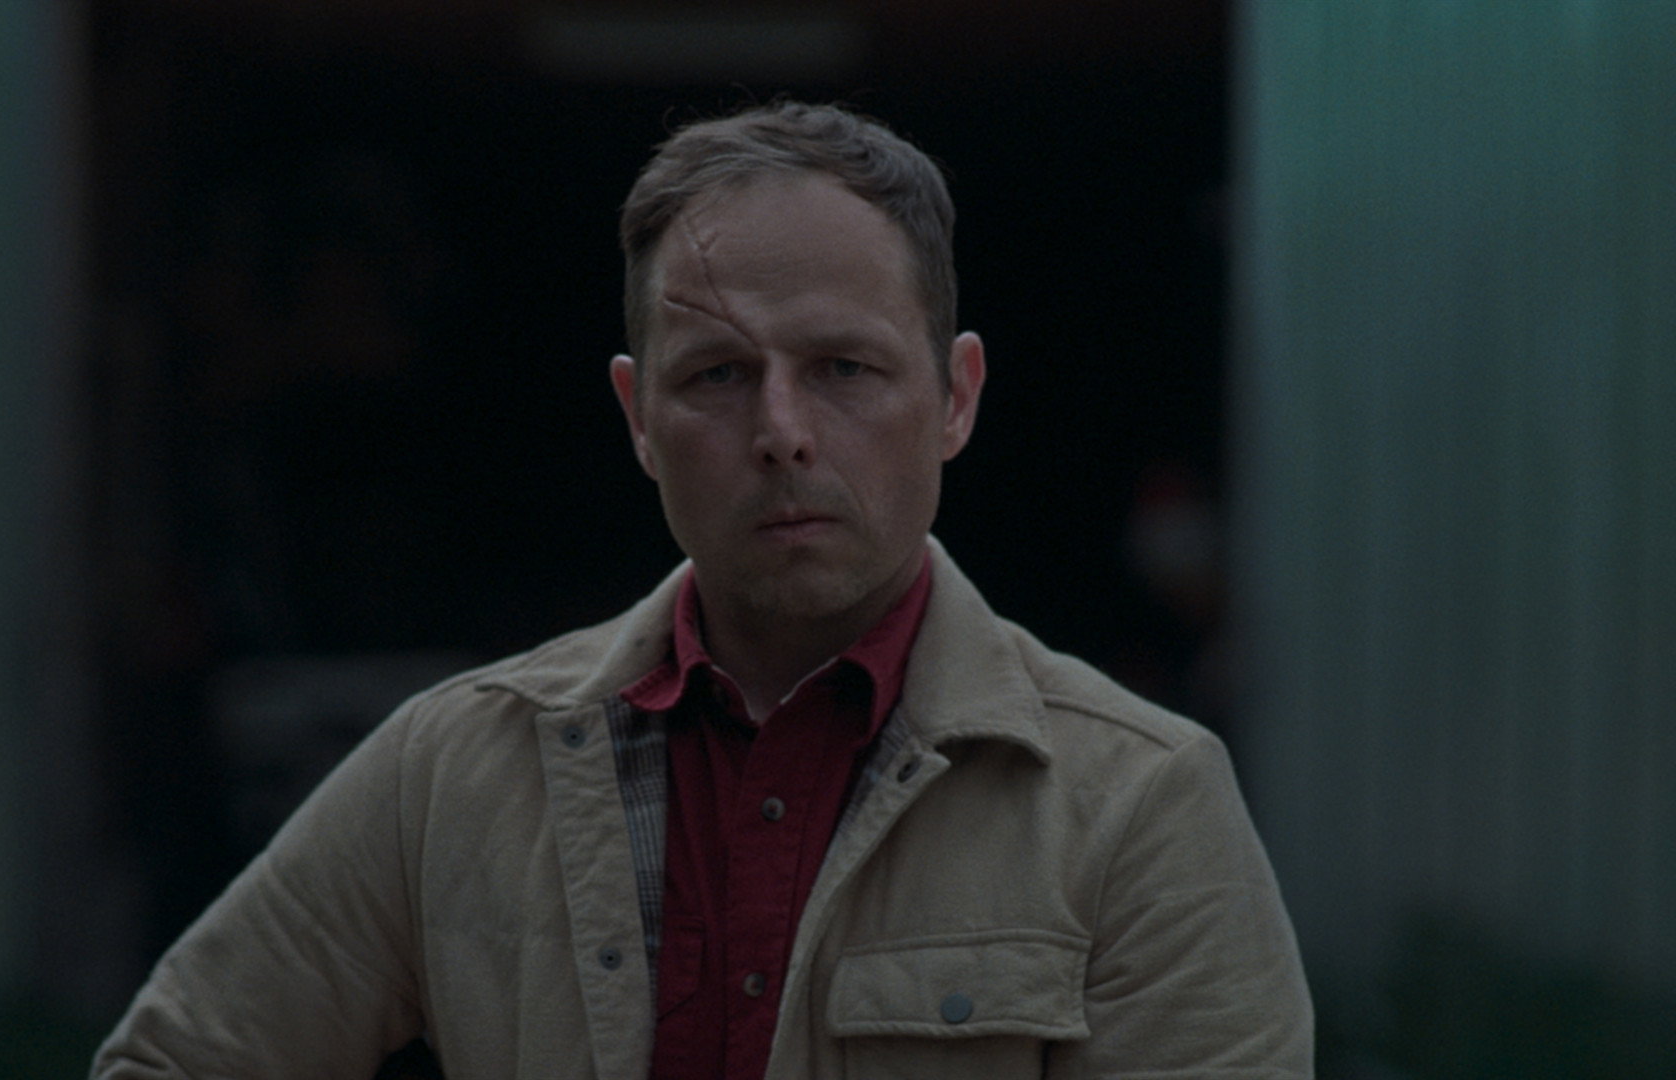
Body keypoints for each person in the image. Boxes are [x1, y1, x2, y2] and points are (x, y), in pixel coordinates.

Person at [93, 101, 1312, 1080]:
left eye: (844, 368)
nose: (782, 430)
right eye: (719, 375)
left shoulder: (1136, 803)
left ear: (956, 398)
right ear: (638, 417)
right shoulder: (452, 773)